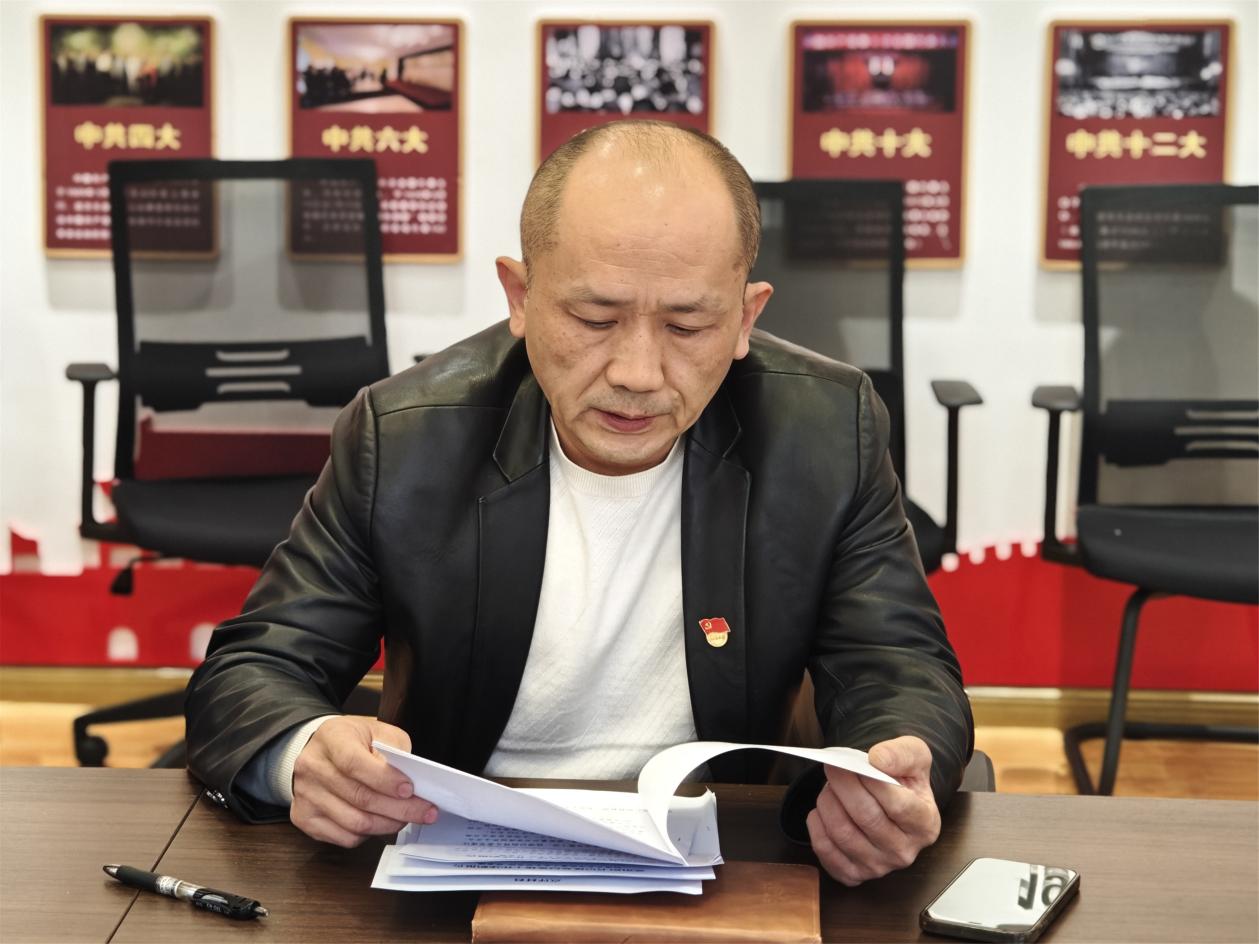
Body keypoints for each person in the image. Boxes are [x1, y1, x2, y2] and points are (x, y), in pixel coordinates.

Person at [185, 120, 973, 888]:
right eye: (594, 319)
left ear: (745, 316)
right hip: (459, 853)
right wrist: (304, 752)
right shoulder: (405, 437)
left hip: (729, 857)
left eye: (687, 325)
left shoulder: (825, 431)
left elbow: (897, 668)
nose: (637, 372)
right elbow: (258, 667)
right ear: (520, 295)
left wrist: (890, 771)